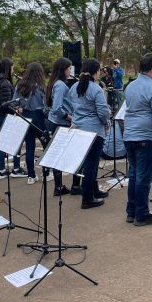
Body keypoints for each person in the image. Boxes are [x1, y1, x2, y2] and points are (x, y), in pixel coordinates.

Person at [123, 54, 152, 226]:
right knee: (144, 177)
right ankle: (142, 214)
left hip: (129, 135)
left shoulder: (130, 86)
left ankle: (131, 211)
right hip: (146, 136)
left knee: (133, 174)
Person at [69, 58, 111, 209]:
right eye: (99, 70)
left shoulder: (74, 87)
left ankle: (95, 190)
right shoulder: (96, 89)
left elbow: (71, 107)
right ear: (95, 72)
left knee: (88, 162)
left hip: (78, 128)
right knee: (91, 165)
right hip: (94, 130)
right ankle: (87, 199)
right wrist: (107, 122)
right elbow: (102, 111)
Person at [46, 57, 80, 195]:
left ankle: (59, 187)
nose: (70, 71)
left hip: (56, 122)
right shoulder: (60, 85)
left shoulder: (55, 83)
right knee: (71, 155)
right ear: (63, 69)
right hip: (61, 123)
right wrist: (70, 117)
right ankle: (70, 187)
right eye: (69, 68)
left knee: (59, 156)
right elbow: (57, 108)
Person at [0, 58, 21, 179]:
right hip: (5, 116)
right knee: (12, 142)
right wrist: (16, 109)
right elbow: (6, 103)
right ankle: (16, 169)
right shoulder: (5, 83)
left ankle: (2, 170)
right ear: (8, 68)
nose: (13, 70)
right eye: (12, 68)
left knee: (1, 141)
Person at [14, 62, 47, 184]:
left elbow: (14, 102)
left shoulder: (21, 85)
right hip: (38, 116)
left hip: (25, 116)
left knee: (29, 147)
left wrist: (20, 108)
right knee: (46, 144)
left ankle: (31, 176)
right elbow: (46, 105)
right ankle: (46, 173)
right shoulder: (42, 86)